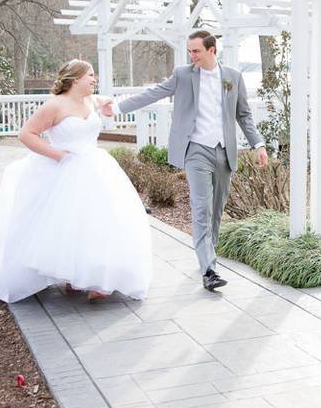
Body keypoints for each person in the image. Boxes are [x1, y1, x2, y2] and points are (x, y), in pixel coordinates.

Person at [0, 59, 152, 304]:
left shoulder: (90, 100)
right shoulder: (55, 106)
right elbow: (26, 134)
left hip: (96, 167)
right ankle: (73, 275)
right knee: (67, 223)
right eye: (90, 75)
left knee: (98, 221)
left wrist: (108, 104)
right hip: (65, 168)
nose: (94, 79)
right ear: (75, 79)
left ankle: (92, 278)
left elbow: (104, 100)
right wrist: (58, 155)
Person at [104, 30, 267, 291]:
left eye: (196, 51)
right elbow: (154, 93)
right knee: (201, 207)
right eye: (190, 51)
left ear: (212, 50)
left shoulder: (233, 78)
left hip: (224, 152)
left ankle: (208, 257)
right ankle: (209, 269)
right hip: (196, 150)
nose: (192, 56)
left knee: (216, 209)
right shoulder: (183, 74)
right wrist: (119, 108)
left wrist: (258, 144)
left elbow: (244, 115)